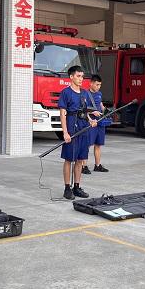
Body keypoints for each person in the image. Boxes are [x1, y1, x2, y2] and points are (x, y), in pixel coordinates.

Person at [58, 65, 97, 200]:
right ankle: (67, 188)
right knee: (69, 159)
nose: (81, 79)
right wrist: (65, 133)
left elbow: (85, 112)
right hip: (71, 127)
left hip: (83, 128)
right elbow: (63, 114)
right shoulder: (66, 93)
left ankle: (77, 187)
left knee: (80, 159)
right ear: (71, 77)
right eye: (78, 76)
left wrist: (91, 120)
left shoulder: (85, 93)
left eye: (82, 76)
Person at [82, 74, 109, 174]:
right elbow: (83, 109)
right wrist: (92, 113)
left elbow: (100, 105)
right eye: (97, 85)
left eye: (100, 85)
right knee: (87, 144)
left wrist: (105, 110)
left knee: (98, 144)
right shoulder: (85, 94)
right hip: (91, 122)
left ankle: (97, 165)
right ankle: (83, 166)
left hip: (100, 122)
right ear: (91, 83)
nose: (98, 87)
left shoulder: (99, 94)